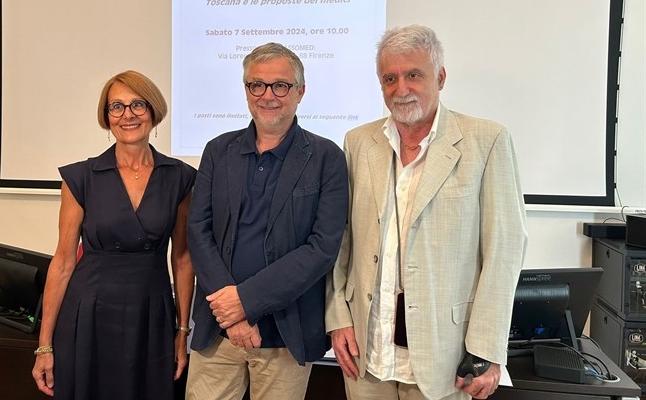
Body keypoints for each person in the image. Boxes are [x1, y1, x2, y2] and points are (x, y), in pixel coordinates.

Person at [325, 24, 528, 400]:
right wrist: (338, 319)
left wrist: (486, 350)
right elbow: (341, 241)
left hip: (446, 356)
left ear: (441, 77)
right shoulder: (358, 142)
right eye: (389, 78)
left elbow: (504, 251)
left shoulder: (486, 141)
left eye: (413, 75)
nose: (401, 89)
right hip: (367, 353)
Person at [185, 42, 349, 400]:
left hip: (286, 336)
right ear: (246, 90)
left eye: (280, 85)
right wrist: (234, 316)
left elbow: (322, 248)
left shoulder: (326, 158)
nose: (267, 96)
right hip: (219, 330)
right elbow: (198, 232)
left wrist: (246, 301)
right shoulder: (218, 150)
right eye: (256, 85)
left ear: (300, 92)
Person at [31, 70, 196, 399]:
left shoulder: (180, 177)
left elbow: (182, 259)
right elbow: (63, 261)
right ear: (106, 117)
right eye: (116, 107)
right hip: (89, 311)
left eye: (137, 105)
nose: (128, 115)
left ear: (153, 111)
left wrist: (181, 331)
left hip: (151, 312)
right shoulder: (81, 177)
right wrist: (44, 345)